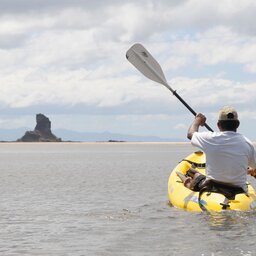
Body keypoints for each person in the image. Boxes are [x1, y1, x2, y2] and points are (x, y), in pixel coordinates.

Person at [177, 106, 256, 193]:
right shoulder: (248, 143)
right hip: (239, 190)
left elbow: (190, 134)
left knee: (197, 177)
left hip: (212, 188)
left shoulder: (210, 138)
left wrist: (198, 120)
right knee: (197, 174)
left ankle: (188, 182)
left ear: (218, 125)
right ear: (238, 124)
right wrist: (251, 171)